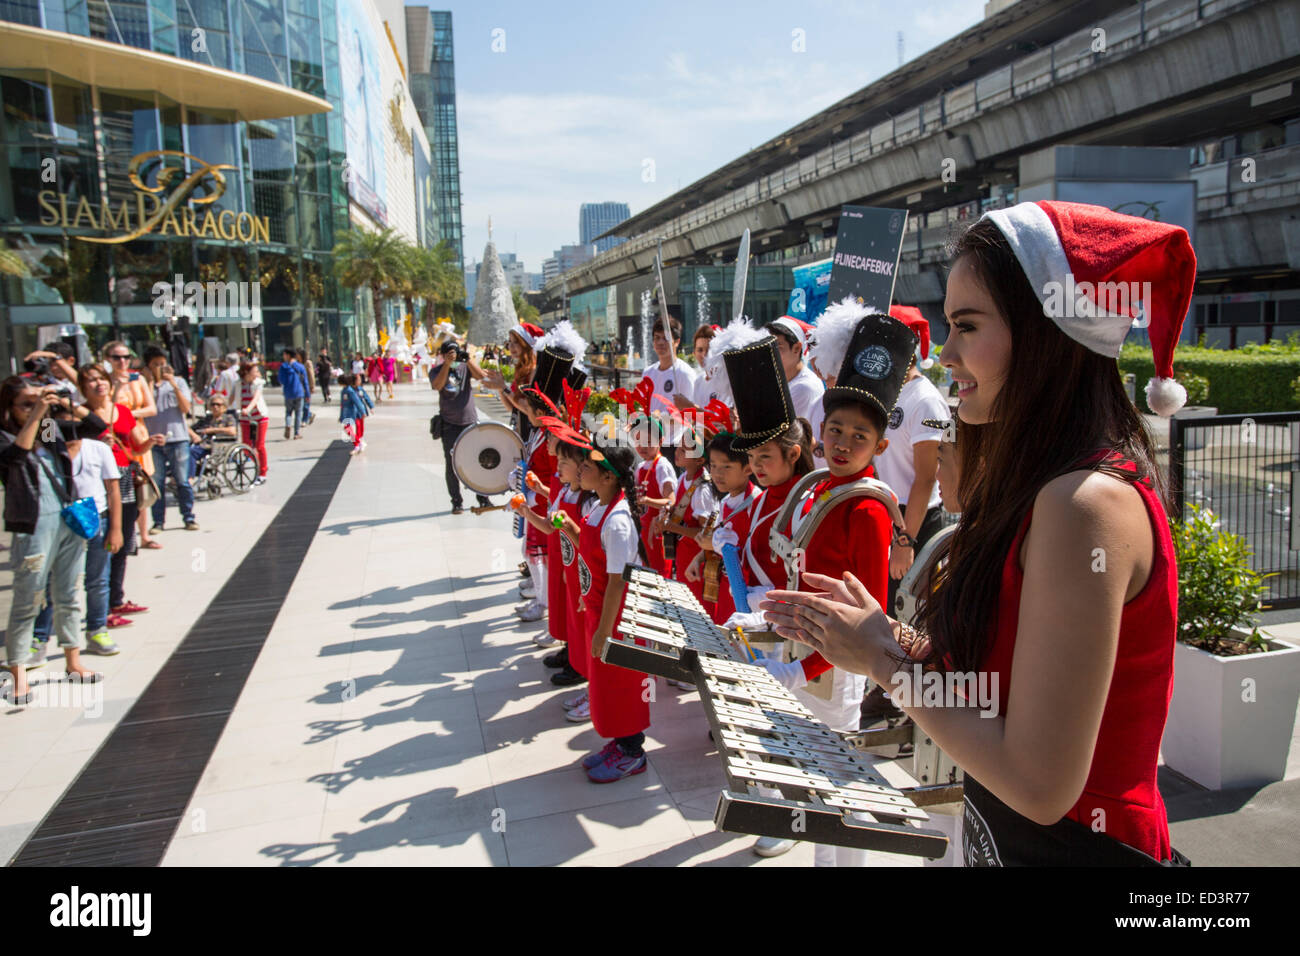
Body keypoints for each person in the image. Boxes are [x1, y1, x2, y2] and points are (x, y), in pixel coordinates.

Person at [760, 200, 1196, 866]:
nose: (947, 352)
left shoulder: (1086, 504)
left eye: (967, 326)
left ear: (1045, 333)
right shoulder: (1050, 484)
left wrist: (882, 660)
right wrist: (884, 635)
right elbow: (996, 680)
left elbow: (1042, 784)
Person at [0, 379, 102, 702]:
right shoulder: (5, 436)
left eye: (36, 400)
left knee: (69, 590)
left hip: (66, 518)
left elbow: (95, 425)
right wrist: (38, 413)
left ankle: (73, 661)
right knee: (29, 597)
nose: (34, 407)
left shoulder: (47, 429)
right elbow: (17, 456)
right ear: (8, 408)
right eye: (25, 403)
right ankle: (17, 672)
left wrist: (65, 397)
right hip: (33, 523)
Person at [571, 439, 651, 782]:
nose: (580, 470)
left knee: (622, 687)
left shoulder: (618, 521)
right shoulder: (599, 507)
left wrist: (605, 631)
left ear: (607, 478)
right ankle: (620, 743)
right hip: (600, 611)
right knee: (605, 687)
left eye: (587, 467)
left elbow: (618, 582)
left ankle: (633, 753)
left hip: (618, 620)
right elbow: (596, 566)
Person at [80, 364, 157, 629]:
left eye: (101, 379)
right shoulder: (80, 416)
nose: (98, 384)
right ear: (82, 388)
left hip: (124, 478)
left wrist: (150, 442)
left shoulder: (122, 411)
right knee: (102, 549)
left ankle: (115, 600)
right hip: (95, 482)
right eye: (91, 380)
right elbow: (57, 443)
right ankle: (100, 613)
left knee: (122, 543)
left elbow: (136, 445)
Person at [104, 340, 161, 551]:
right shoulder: (104, 382)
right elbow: (102, 409)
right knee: (116, 485)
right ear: (107, 360)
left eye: (126, 357)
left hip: (137, 433)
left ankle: (143, 535)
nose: (122, 361)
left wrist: (127, 414)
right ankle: (119, 532)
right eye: (117, 357)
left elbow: (152, 408)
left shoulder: (138, 380)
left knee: (141, 482)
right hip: (115, 436)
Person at [430, 340, 490, 513]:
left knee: (479, 461)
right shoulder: (436, 371)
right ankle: (456, 501)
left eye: (455, 353)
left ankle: (483, 498)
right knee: (451, 465)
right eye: (449, 353)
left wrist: (468, 359)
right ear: (442, 355)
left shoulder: (465, 368)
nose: (454, 356)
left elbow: (481, 376)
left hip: (469, 421)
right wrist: (447, 365)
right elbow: (438, 385)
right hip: (449, 424)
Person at [143, 346, 198, 533]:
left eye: (163, 364)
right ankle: (158, 521)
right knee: (156, 483)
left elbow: (185, 408)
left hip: (178, 438)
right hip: (154, 440)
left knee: (182, 480)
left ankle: (189, 517)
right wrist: (149, 383)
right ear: (148, 367)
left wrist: (173, 385)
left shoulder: (179, 382)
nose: (160, 368)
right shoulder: (144, 385)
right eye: (155, 365)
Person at [641, 315, 695, 413]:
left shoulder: (685, 373)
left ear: (677, 342)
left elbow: (691, 415)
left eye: (666, 338)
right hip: (650, 428)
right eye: (657, 338)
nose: (660, 342)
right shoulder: (647, 373)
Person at [188, 395, 239, 481]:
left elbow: (232, 431)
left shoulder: (228, 418)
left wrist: (213, 430)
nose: (215, 407)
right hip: (200, 444)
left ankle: (190, 479)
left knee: (190, 452)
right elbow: (190, 428)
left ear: (224, 407)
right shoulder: (206, 419)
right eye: (213, 404)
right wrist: (194, 435)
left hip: (217, 445)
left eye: (218, 404)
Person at [237, 361, 269, 483]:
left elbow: (256, 398)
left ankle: (262, 472)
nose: (258, 373)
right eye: (255, 371)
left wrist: (247, 409)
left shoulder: (258, 383)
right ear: (247, 372)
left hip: (259, 417)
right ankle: (259, 464)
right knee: (246, 447)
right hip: (246, 419)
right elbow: (231, 398)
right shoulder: (239, 384)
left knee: (259, 446)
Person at [277, 348, 309, 440]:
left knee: (288, 412)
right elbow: (305, 381)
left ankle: (288, 425)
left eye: (284, 354)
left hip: (288, 392)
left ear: (288, 355)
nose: (283, 356)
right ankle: (296, 433)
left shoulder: (283, 367)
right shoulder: (300, 367)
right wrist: (307, 394)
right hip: (299, 392)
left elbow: (280, 380)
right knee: (298, 414)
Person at [338, 373, 373, 454]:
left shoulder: (350, 391)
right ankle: (357, 444)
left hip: (352, 413)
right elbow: (342, 405)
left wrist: (363, 412)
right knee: (348, 430)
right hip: (346, 414)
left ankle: (358, 443)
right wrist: (341, 416)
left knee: (349, 429)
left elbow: (358, 402)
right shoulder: (344, 391)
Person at [297, 348, 317, 426]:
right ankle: (309, 415)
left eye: (297, 354)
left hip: (306, 386)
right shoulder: (296, 363)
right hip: (298, 387)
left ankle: (304, 420)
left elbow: (311, 375)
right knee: (300, 404)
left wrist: (312, 386)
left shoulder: (307, 363)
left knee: (305, 404)